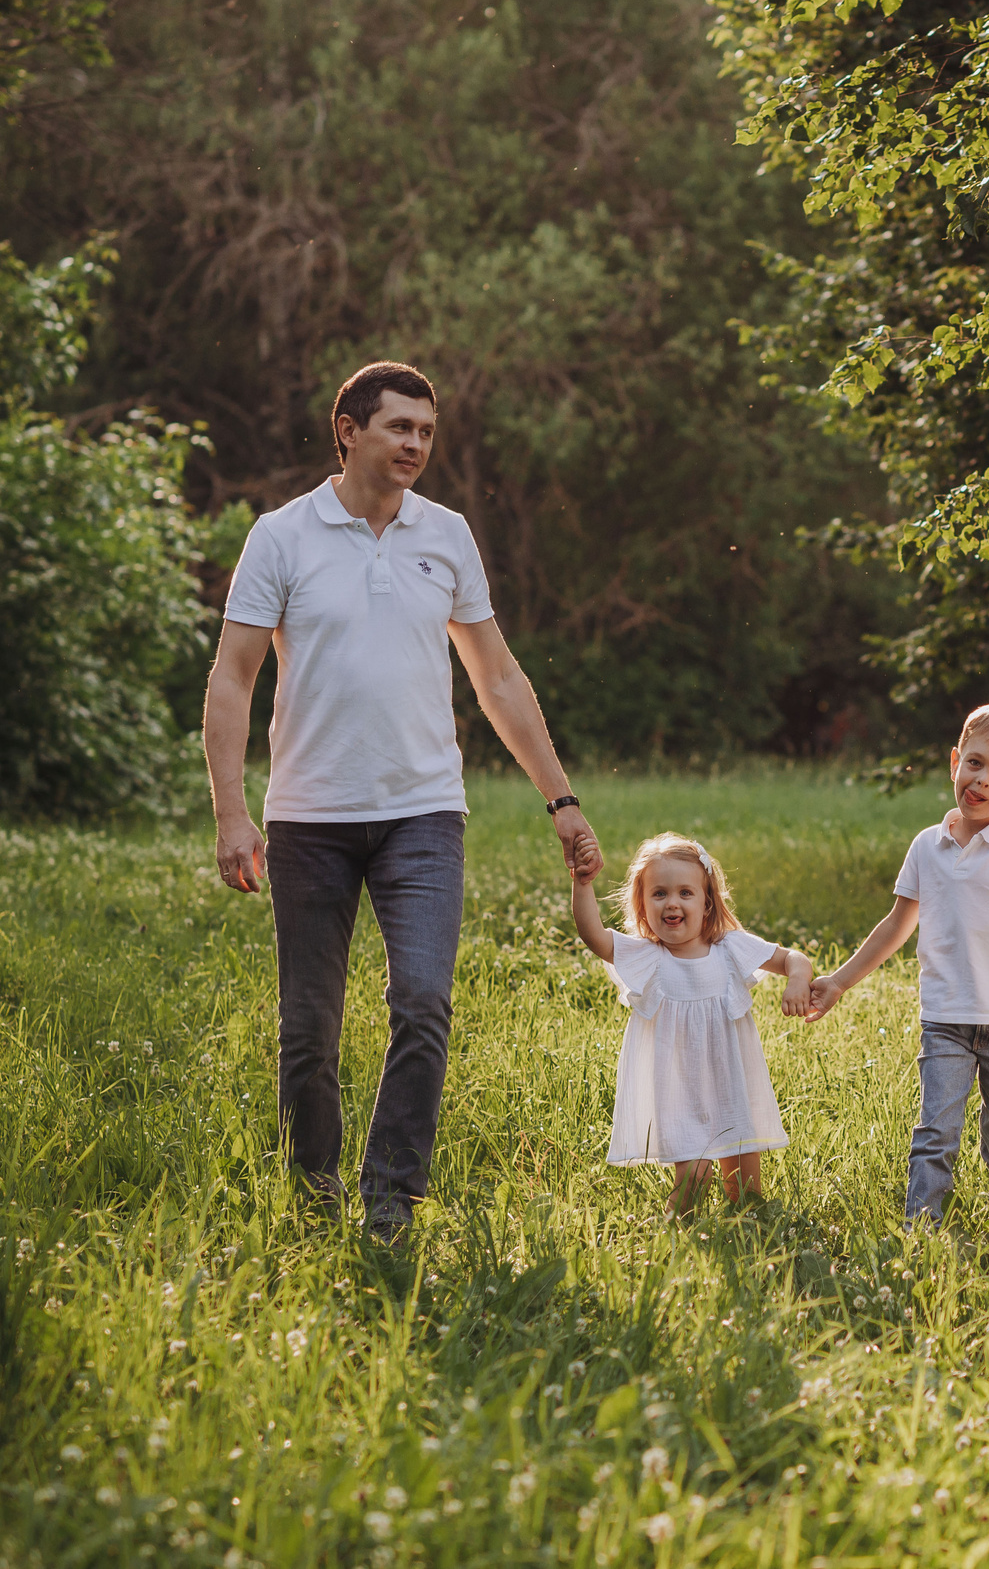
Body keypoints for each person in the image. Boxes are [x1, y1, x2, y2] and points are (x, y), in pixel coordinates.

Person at [204, 360, 602, 1242]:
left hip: (424, 811)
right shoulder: (281, 536)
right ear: (348, 429)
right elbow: (233, 680)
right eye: (399, 428)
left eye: (426, 431)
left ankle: (390, 1202)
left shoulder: (447, 534)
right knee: (309, 1026)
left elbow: (496, 676)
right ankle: (313, 1199)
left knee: (422, 1002)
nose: (416, 444)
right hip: (308, 816)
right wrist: (233, 812)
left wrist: (560, 798)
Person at [806, 703, 989, 1221]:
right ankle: (922, 1229)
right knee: (935, 1131)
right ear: (955, 761)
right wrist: (838, 982)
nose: (983, 781)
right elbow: (896, 924)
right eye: (976, 764)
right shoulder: (927, 845)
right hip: (944, 1019)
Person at [567, 834, 812, 1212]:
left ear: (707, 901)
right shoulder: (647, 957)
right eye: (659, 894)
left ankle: (749, 1242)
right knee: (695, 1175)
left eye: (685, 892)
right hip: (678, 1090)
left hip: (731, 1085)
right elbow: (594, 936)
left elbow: (793, 959)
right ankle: (677, 1240)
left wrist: (797, 980)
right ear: (643, 904)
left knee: (746, 1192)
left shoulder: (730, 947)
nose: (672, 903)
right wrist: (582, 884)